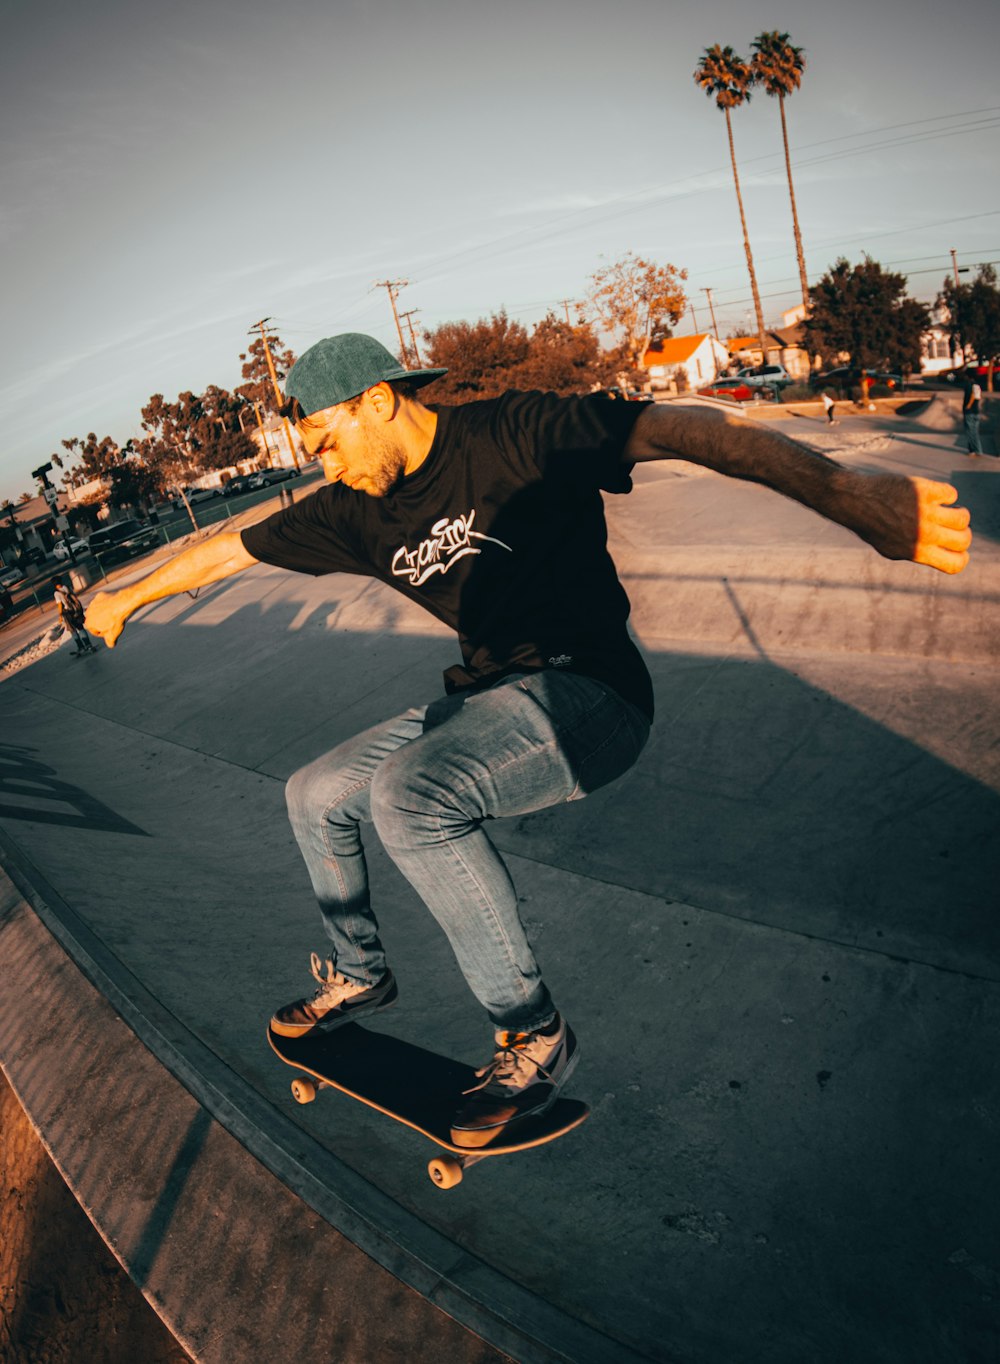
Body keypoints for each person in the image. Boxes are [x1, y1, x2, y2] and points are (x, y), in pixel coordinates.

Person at [84, 333, 972, 1148]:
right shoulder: (354, 508)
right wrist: (127, 598)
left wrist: (845, 494)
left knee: (409, 796)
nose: (325, 462)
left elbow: (692, 430)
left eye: (325, 438)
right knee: (315, 794)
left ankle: (533, 1035)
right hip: (485, 702)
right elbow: (227, 554)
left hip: (591, 693)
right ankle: (361, 974)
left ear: (378, 402)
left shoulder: (518, 432)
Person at [53, 579, 96, 656]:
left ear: (54, 585)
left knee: (73, 631)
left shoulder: (56, 593)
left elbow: (60, 605)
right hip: (76, 610)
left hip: (68, 613)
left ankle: (81, 647)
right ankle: (88, 645)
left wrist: (60, 616)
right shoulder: (67, 587)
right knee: (81, 628)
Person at [962, 369, 984, 457]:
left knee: (970, 432)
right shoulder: (977, 385)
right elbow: (978, 397)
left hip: (969, 411)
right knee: (975, 432)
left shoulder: (968, 384)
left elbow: (972, 395)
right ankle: (978, 450)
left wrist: (968, 405)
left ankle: (973, 450)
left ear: (968, 376)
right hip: (976, 411)